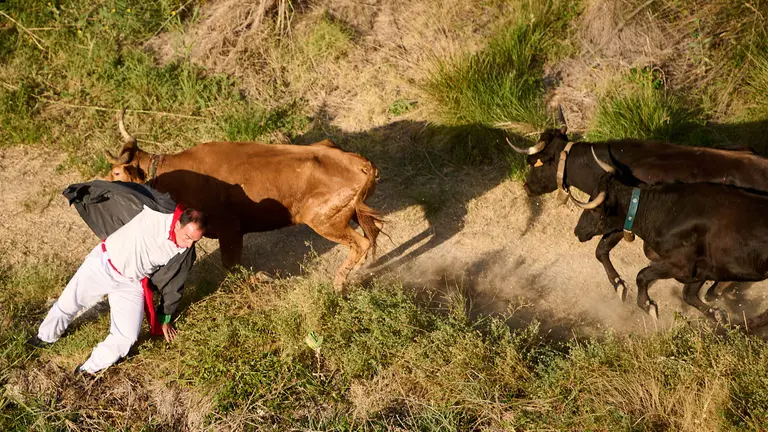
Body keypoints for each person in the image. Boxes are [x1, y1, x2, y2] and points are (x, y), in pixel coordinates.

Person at [27, 180, 205, 377]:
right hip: (103, 264)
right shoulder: (160, 210)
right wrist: (86, 191)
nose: (189, 245)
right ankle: (45, 336)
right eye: (188, 238)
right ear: (179, 223)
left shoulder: (185, 253)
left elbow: (174, 285)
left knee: (127, 336)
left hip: (131, 283)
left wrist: (166, 317)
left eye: (195, 241)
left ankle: (88, 370)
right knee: (69, 304)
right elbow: (131, 189)